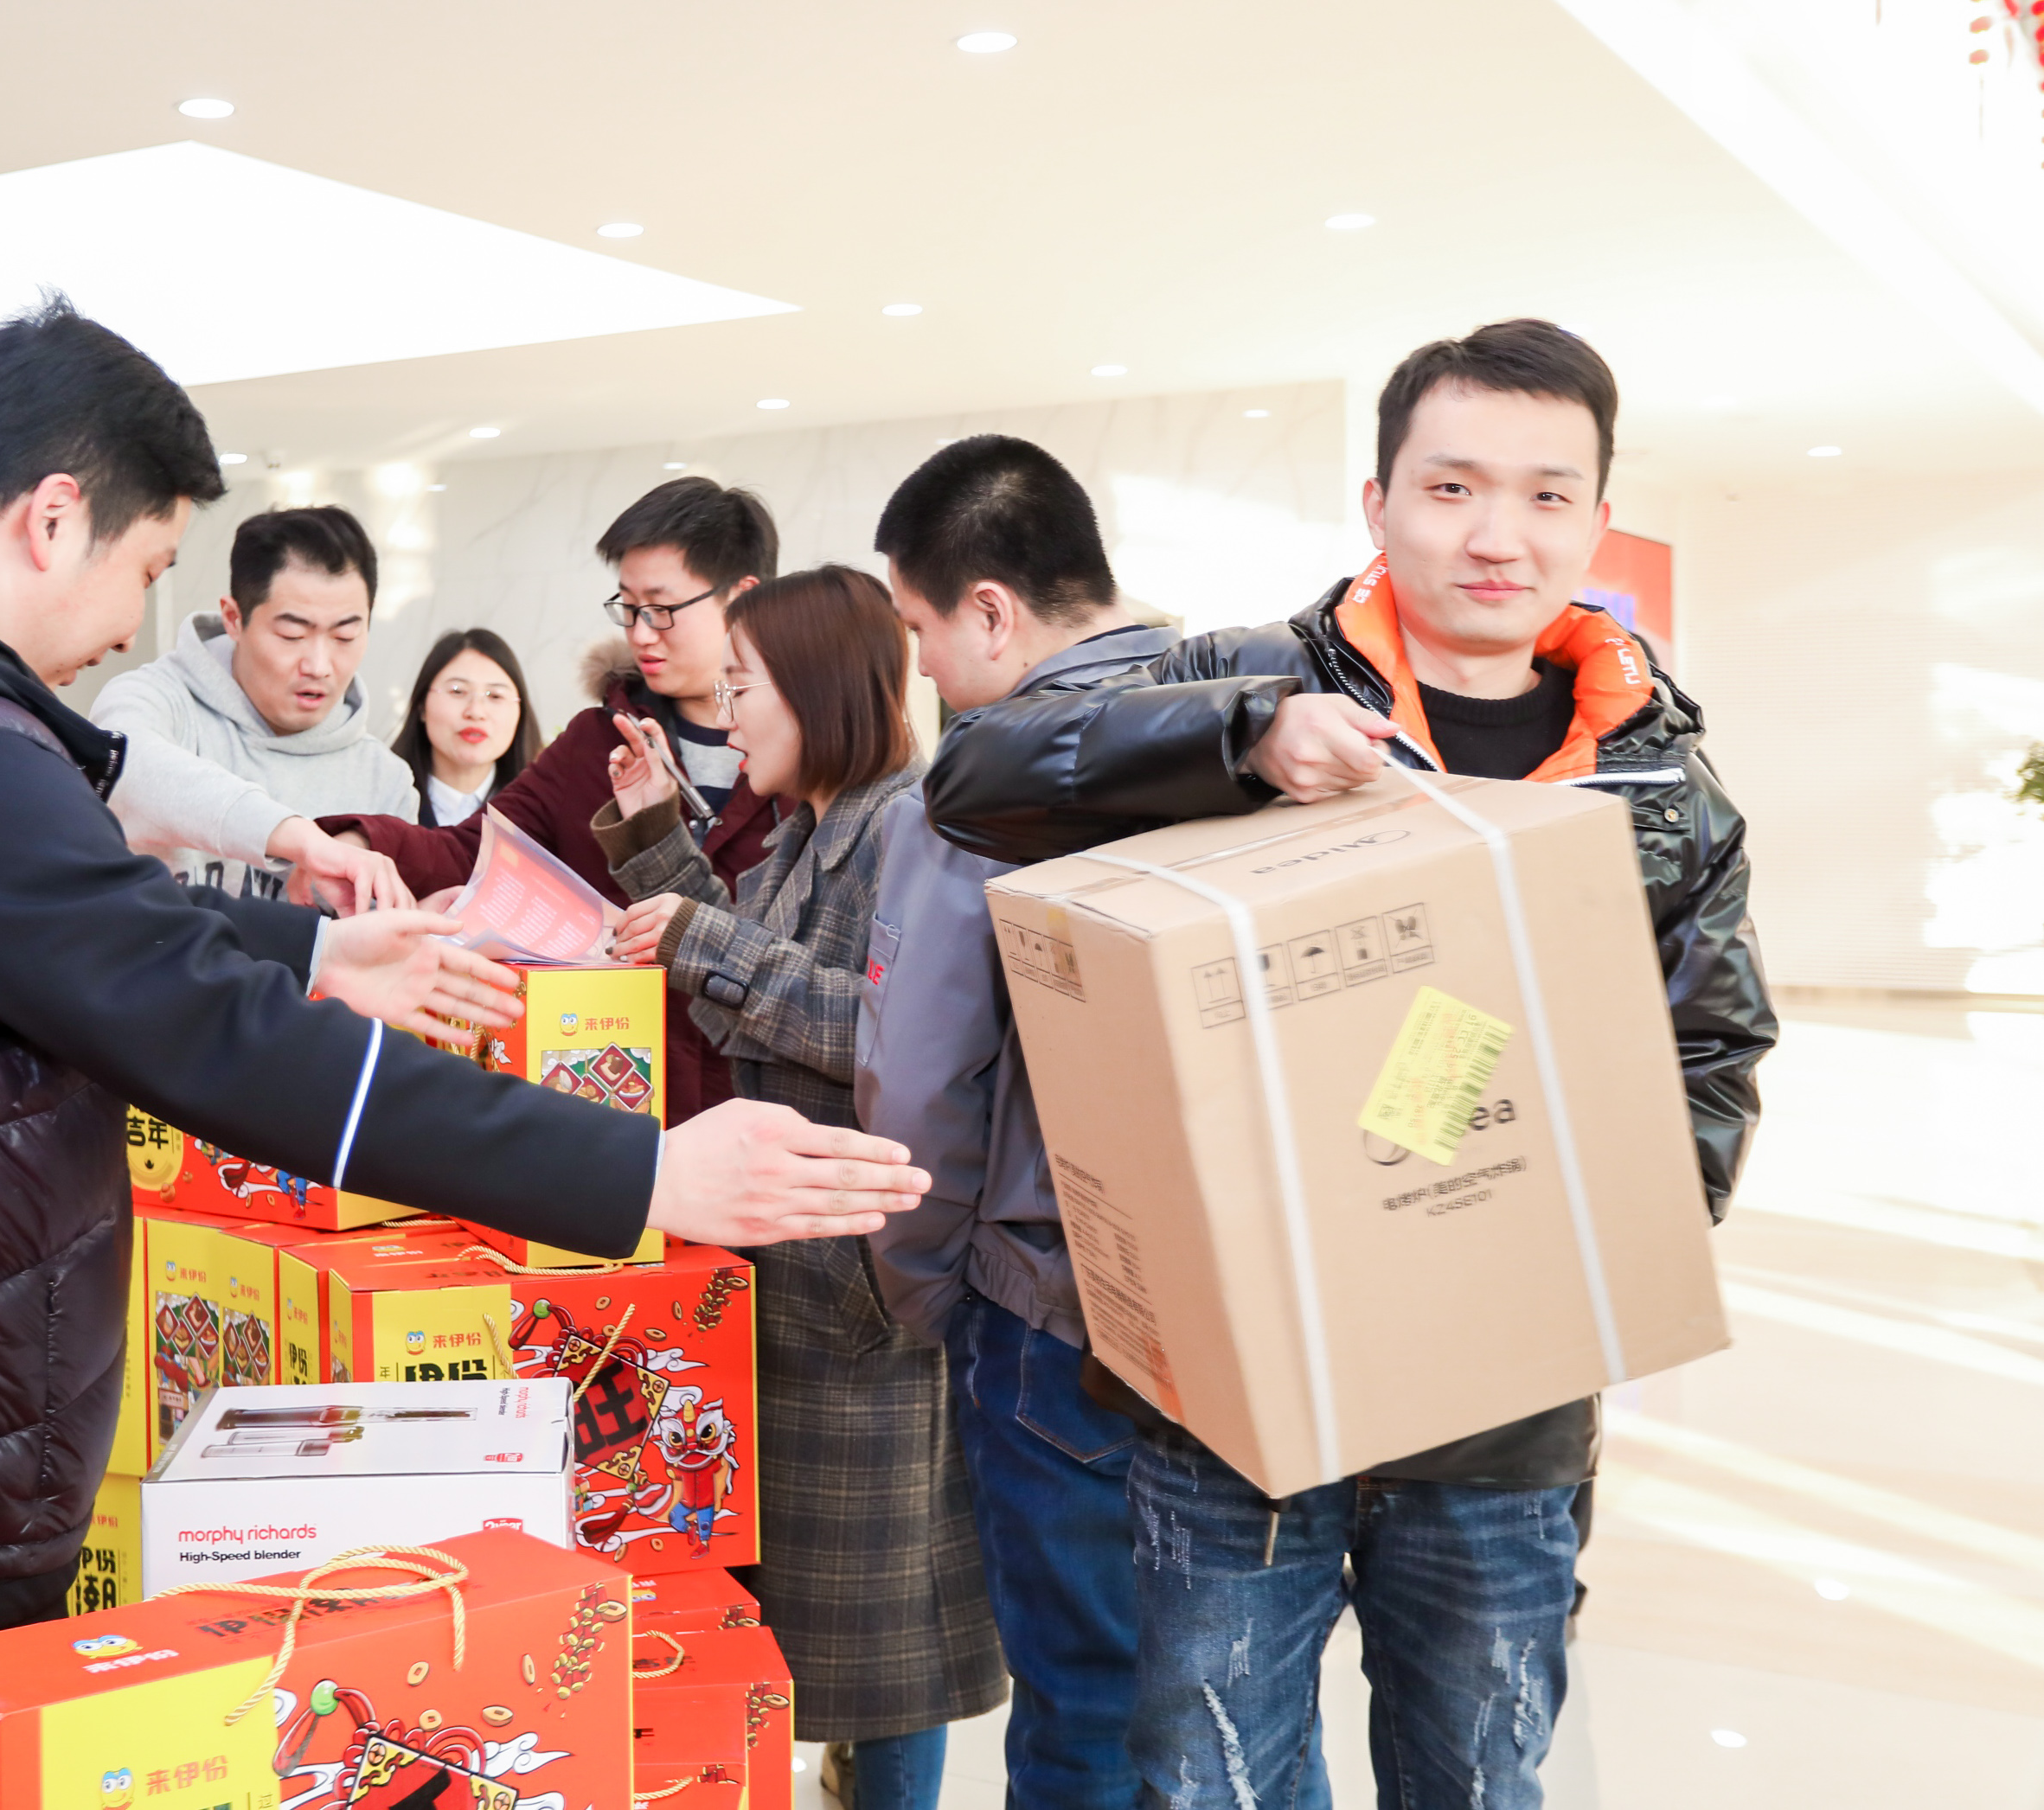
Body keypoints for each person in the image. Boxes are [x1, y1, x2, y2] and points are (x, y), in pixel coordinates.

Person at [0, 298, 931, 1810]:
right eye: (147, 567)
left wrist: (313, 949)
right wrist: (644, 1171)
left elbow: (41, 919)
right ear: (52, 519)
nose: (132, 626)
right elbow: (214, 1041)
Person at [920, 321, 1778, 1808]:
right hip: (1236, 1397)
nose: (1498, 534)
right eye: (1452, 487)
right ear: (1377, 500)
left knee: (1479, 1770)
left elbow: (1712, 1045)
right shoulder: (1253, 676)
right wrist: (1244, 740)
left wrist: (1581, 1253)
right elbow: (974, 776)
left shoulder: (1660, 773)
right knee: (1212, 1776)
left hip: (1506, 1406)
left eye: (1546, 494)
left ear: (1595, 515)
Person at [855, 434, 1360, 1810]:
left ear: (990, 612)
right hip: (1274, 1312)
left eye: (917, 628)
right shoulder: (1280, 736)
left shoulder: (977, 790)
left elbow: (919, 1086)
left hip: (1057, 1316)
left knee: (1087, 1707)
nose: (922, 666)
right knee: (1253, 1709)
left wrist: (930, 1291)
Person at [594, 566, 1006, 1810]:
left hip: (866, 1276)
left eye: (744, 687)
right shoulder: (806, 827)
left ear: (818, 690)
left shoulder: (908, 826)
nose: (725, 717)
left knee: (884, 1638)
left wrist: (704, 937)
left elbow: (896, 1032)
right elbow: (748, 983)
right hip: (799, 1266)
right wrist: (656, 839)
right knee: (817, 1619)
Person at [325, 476, 782, 1121]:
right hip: (615, 1099)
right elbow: (474, 850)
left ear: (742, 597)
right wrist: (362, 844)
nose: (641, 633)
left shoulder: (802, 755)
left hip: (762, 1107)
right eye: (627, 607)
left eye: (661, 609)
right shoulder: (596, 743)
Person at [93, 503, 418, 913]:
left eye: (345, 637)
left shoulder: (385, 780)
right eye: (292, 635)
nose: (319, 666)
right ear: (234, 618)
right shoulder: (155, 699)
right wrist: (299, 839)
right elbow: (125, 767)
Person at [388, 627, 540, 826]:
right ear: (422, 706)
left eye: (495, 696)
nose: (476, 712)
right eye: (457, 691)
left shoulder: (540, 812)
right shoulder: (382, 799)